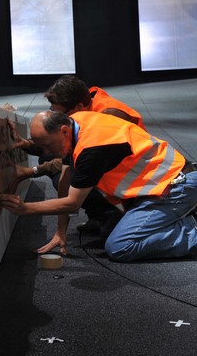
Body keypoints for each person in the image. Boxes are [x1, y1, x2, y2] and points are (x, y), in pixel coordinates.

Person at [1, 110, 197, 262]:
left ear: (62, 131)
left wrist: (26, 209)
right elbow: (64, 181)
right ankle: (185, 219)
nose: (45, 152)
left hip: (175, 188)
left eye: (46, 145)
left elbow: (72, 202)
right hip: (156, 187)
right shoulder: (76, 122)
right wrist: (60, 231)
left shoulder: (92, 148)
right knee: (109, 234)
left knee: (120, 246)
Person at [8, 75, 147, 241]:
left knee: (117, 243)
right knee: (58, 167)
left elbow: (75, 167)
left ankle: (111, 214)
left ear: (79, 106)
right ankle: (102, 216)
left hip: (140, 184)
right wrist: (28, 145)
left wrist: (31, 178)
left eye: (59, 113)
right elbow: (61, 154)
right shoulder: (82, 110)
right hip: (116, 173)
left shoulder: (108, 118)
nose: (55, 117)